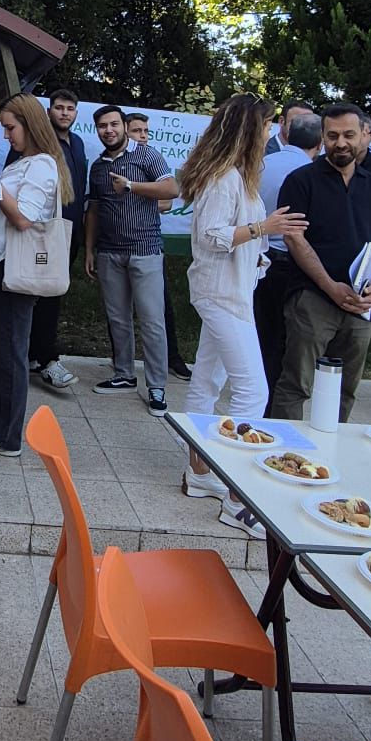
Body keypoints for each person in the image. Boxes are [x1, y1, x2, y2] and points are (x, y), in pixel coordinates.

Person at [179, 95, 306, 517]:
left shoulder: (237, 176)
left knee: (208, 379)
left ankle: (200, 471)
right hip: (221, 295)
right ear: (252, 129)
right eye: (268, 125)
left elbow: (235, 238)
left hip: (231, 290)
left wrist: (259, 250)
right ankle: (237, 494)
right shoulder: (223, 178)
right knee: (253, 390)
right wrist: (263, 227)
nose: (271, 132)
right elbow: (212, 235)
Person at [270, 102, 371, 422]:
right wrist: (329, 286)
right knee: (295, 384)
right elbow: (294, 238)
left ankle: (331, 447)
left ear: (363, 135)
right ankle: (287, 446)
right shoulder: (301, 181)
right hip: (312, 297)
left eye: (348, 135)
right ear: (322, 137)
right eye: (333, 135)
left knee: (345, 389)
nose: (341, 143)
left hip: (360, 302)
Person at [0, 94, 70, 455]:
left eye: (10, 128)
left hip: (14, 268)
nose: (6, 136)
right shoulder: (24, 163)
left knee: (9, 352)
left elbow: (23, 218)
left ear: (29, 125)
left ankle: (7, 435)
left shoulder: (42, 165)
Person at [86, 105, 178, 415]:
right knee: (118, 318)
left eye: (114, 124)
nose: (109, 130)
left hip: (145, 250)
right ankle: (124, 374)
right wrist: (90, 250)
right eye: (102, 126)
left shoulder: (146, 155)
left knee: (152, 321)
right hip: (109, 252)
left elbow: (172, 188)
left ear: (125, 126)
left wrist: (131, 185)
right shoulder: (98, 167)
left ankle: (157, 386)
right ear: (97, 130)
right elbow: (94, 210)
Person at [253, 112, 322, 398]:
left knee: (262, 334)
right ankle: (272, 398)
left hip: (258, 258)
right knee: (286, 339)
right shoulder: (312, 175)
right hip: (292, 262)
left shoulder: (262, 165)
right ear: (320, 143)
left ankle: (257, 392)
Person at [28, 88, 88, 390]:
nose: (64, 113)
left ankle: (34, 355)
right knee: (42, 295)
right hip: (45, 232)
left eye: (70, 108)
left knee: (53, 294)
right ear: (49, 110)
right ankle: (46, 359)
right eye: (59, 107)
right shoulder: (39, 141)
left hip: (70, 233)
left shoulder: (77, 143)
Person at [125, 111, 193, 380]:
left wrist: (132, 201)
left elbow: (167, 200)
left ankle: (171, 358)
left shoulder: (153, 158)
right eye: (136, 131)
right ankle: (122, 366)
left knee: (161, 306)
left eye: (145, 131)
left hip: (149, 244)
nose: (142, 136)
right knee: (119, 309)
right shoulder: (115, 160)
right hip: (117, 244)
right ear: (124, 131)